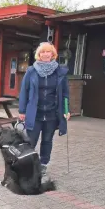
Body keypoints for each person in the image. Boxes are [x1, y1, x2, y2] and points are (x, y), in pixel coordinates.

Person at [18, 42, 70, 183]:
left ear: (53, 54)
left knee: (47, 141)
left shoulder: (60, 71)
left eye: (48, 52)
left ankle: (43, 165)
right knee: (30, 141)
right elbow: (24, 91)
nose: (46, 54)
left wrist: (66, 110)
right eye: (43, 52)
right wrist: (22, 111)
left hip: (52, 114)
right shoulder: (31, 71)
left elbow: (65, 93)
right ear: (38, 55)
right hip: (35, 113)